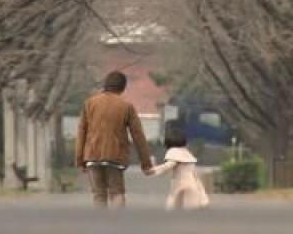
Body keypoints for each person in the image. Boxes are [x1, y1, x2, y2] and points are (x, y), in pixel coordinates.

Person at [75, 71, 153, 208]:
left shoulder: (89, 103)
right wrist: (146, 163)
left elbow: (82, 132)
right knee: (117, 193)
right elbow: (138, 135)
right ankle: (117, 225)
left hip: (93, 155)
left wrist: (79, 159)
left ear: (106, 84)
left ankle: (101, 226)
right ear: (122, 87)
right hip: (115, 156)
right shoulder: (126, 106)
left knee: (99, 194)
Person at [148, 128, 210, 210]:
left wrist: (153, 169)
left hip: (179, 184)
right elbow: (195, 176)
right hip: (192, 184)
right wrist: (203, 195)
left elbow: (169, 165)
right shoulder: (187, 153)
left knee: (172, 208)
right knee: (190, 212)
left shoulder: (173, 151)